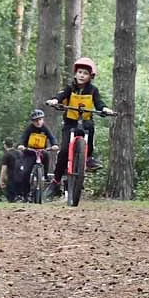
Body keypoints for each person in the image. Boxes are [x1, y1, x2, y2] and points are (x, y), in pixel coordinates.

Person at [44, 57, 114, 197]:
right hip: (70, 123)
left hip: (86, 121)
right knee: (64, 151)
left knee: (90, 129)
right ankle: (56, 181)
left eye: (85, 73)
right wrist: (55, 100)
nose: (82, 75)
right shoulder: (70, 88)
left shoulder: (93, 90)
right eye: (80, 72)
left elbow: (98, 102)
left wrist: (105, 109)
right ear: (76, 74)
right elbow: (61, 95)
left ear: (90, 77)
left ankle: (87, 158)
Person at [17, 109, 59, 197]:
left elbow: (52, 137)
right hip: (30, 152)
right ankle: (25, 194)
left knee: (47, 156)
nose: (38, 122)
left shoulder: (45, 128)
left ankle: (45, 175)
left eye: (40, 119)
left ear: (43, 120)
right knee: (26, 172)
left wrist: (54, 145)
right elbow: (23, 138)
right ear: (32, 122)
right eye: (36, 120)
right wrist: (21, 145)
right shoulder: (29, 129)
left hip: (41, 151)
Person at [0, 137, 21, 202]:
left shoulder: (6, 155)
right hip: (22, 180)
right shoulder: (20, 153)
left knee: (11, 199)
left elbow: (3, 169)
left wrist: (1, 181)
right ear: (13, 144)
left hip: (12, 180)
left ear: (5, 145)